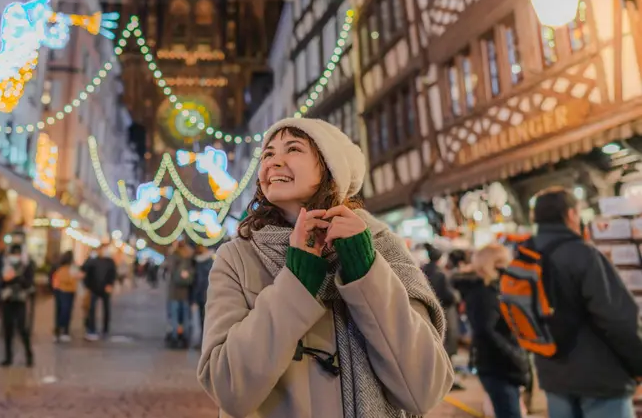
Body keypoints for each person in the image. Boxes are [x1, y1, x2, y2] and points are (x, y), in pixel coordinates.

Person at [197, 118, 453, 418]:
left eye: (293, 149)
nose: (273, 162)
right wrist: (297, 282)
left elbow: (425, 389)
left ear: (331, 168)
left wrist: (366, 271)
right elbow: (228, 388)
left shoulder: (383, 247)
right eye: (267, 154)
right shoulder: (236, 258)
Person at [530, 188, 642, 418]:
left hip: (553, 374)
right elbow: (617, 318)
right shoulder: (582, 254)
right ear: (571, 214)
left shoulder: (525, 255)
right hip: (600, 379)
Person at [463, 244, 530, 418]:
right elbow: (487, 330)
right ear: (495, 264)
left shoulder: (490, 290)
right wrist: (514, 355)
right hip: (499, 365)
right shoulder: (486, 293)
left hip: (499, 364)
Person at [423, 243, 464, 390]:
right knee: (447, 347)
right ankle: (446, 381)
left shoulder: (423, 270)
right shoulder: (440, 274)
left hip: (429, 314)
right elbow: (448, 295)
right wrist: (456, 296)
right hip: (445, 314)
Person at [0, 243, 34, 367]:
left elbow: (28, 283)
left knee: (22, 328)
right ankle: (8, 357)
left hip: (20, 300)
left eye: (17, 254)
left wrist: (16, 278)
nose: (14, 256)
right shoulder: (5, 265)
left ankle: (29, 355)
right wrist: (4, 280)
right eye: (12, 254)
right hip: (7, 299)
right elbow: (0, 282)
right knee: (7, 329)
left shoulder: (26, 266)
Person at [82, 244, 117, 340]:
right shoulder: (92, 261)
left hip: (105, 289)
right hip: (94, 288)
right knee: (91, 309)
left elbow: (113, 273)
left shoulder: (110, 261)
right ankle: (91, 328)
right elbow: (85, 270)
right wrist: (88, 286)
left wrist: (110, 284)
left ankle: (105, 329)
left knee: (106, 309)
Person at [165, 240, 195, 347]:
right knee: (185, 317)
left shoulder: (173, 257)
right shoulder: (188, 258)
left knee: (174, 317)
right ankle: (185, 337)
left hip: (174, 292)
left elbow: (170, 271)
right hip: (185, 292)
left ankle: (174, 337)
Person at [51, 251, 81, 342]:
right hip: (68, 291)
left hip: (59, 290)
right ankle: (64, 331)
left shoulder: (58, 266)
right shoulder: (70, 267)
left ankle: (58, 330)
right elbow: (72, 278)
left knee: (59, 310)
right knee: (66, 311)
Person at [191, 244, 214, 347]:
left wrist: (194, 298)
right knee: (207, 319)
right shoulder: (211, 261)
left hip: (202, 294)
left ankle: (204, 341)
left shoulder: (199, 263)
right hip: (210, 294)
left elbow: (199, 281)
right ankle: (206, 341)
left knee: (203, 319)